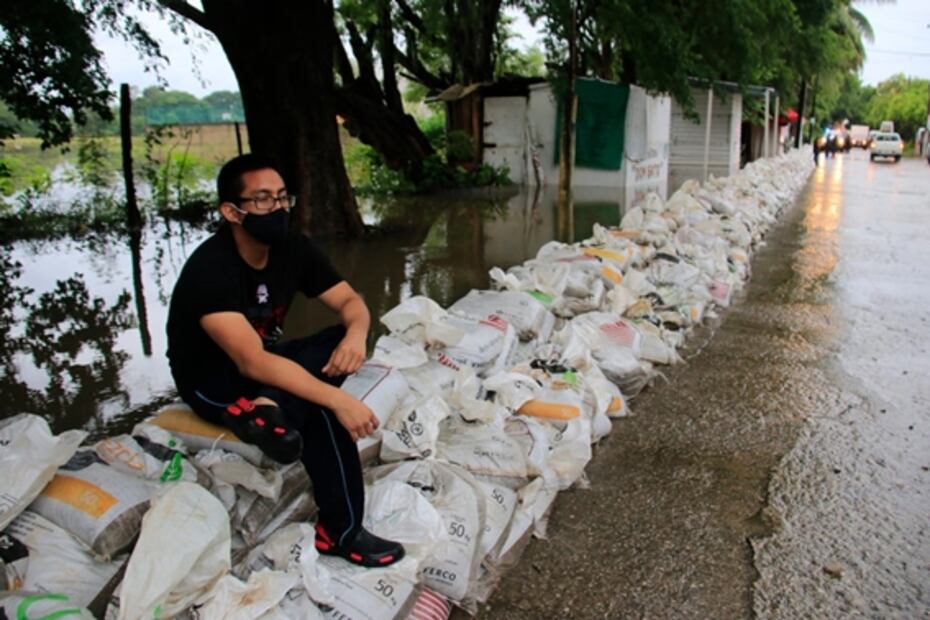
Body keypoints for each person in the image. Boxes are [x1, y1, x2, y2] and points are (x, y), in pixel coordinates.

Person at [166, 153, 404, 568]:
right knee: (318, 411)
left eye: (281, 198)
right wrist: (337, 399)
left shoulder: (293, 249)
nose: (276, 209)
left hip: (263, 364)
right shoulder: (211, 269)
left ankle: (270, 407)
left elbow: (350, 301)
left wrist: (355, 334)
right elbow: (251, 363)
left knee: (336, 339)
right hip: (213, 378)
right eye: (261, 200)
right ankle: (342, 533)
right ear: (231, 211)